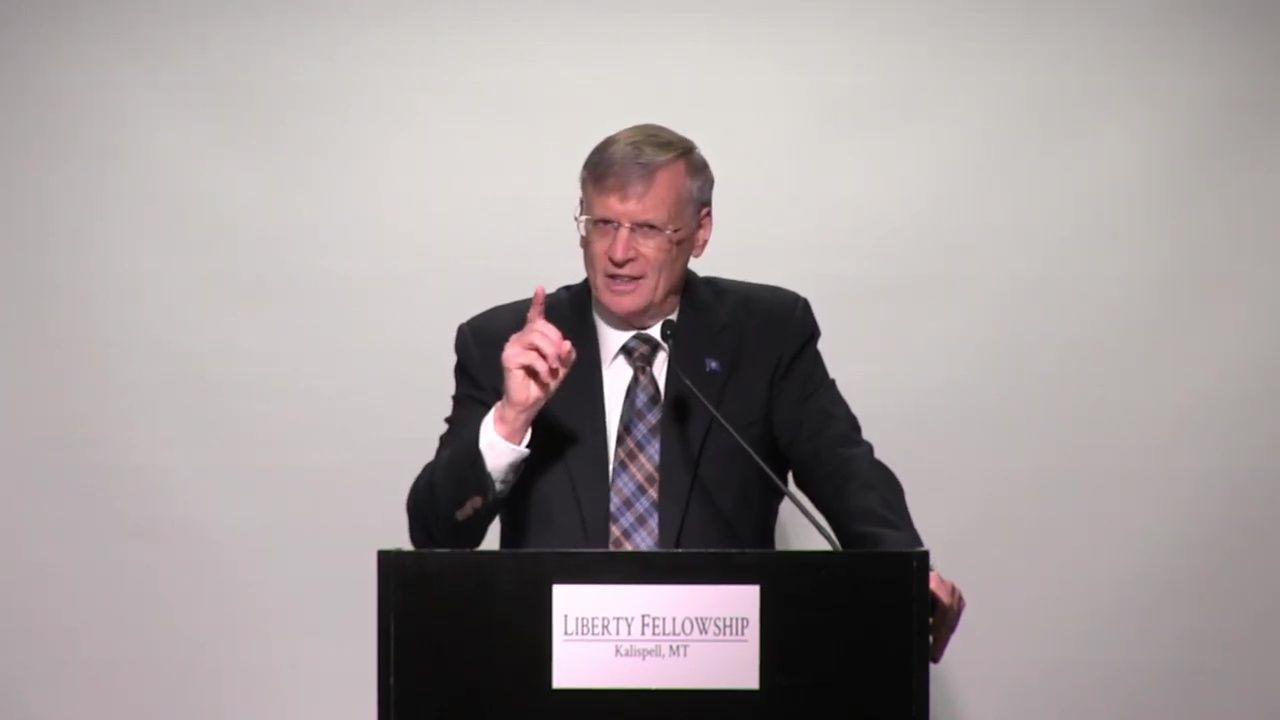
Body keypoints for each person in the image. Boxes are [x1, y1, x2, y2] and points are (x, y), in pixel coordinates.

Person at [406, 123, 965, 662]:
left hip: (724, 674)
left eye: (648, 228)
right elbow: (435, 534)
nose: (618, 252)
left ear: (700, 232)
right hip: (551, 669)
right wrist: (511, 420)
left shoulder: (765, 335)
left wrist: (906, 571)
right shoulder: (507, 343)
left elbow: (844, 468)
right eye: (603, 224)